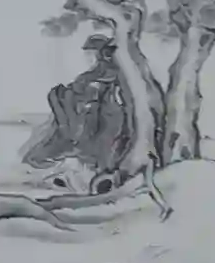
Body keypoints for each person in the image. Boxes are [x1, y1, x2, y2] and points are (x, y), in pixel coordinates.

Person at [22, 34, 132, 181]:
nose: (88, 57)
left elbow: (98, 89)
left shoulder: (112, 72)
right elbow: (80, 87)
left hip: (102, 115)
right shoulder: (92, 73)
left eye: (91, 53)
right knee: (60, 98)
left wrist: (82, 93)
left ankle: (78, 155)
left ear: (100, 53)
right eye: (87, 53)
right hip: (85, 111)